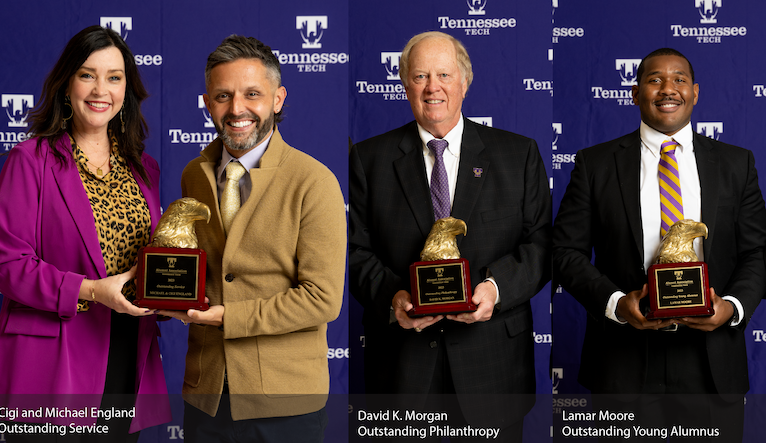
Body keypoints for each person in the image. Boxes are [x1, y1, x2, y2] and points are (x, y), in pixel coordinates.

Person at [552, 48, 764, 442]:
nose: (668, 89)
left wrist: (731, 307)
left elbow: (757, 252)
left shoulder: (737, 164)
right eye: (655, 80)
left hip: (711, 361)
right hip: (624, 363)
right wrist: (617, 304)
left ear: (695, 92)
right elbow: (565, 252)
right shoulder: (594, 164)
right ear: (635, 93)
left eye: (679, 79)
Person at [348, 32, 549, 441]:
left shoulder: (518, 154)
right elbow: (353, 252)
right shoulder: (368, 159)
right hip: (402, 372)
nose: (432, 86)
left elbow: (543, 246)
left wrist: (494, 288)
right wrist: (394, 296)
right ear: (404, 84)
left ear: (464, 81)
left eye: (443, 74)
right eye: (420, 75)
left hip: (493, 369)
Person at [0, 26, 170, 442]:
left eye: (114, 77)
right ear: (67, 83)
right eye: (87, 74)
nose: (100, 89)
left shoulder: (144, 167)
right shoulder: (30, 159)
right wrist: (88, 290)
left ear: (127, 89)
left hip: (127, 346)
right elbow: (7, 265)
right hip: (54, 356)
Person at [159, 35, 345, 442]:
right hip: (206, 395)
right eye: (222, 96)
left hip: (285, 403)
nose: (236, 109)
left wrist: (230, 318)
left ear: (277, 99)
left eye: (252, 94)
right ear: (207, 103)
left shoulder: (314, 182)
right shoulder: (195, 173)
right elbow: (198, 272)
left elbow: (322, 298)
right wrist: (161, 297)